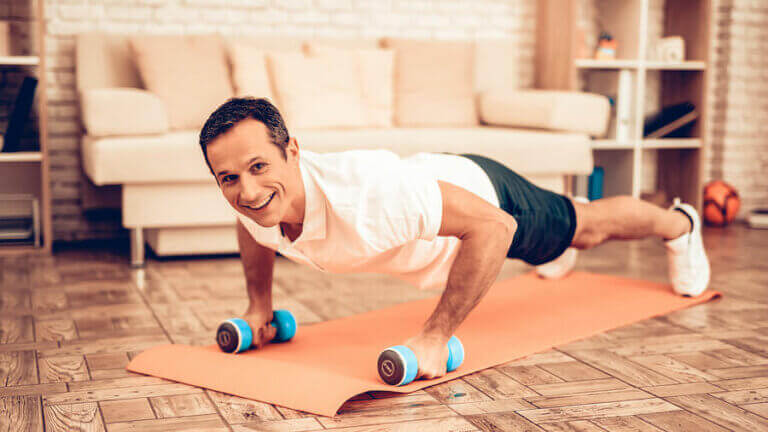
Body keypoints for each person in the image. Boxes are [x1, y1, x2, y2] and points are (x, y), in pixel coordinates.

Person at [198, 97, 710, 381]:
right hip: (437, 190)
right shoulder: (258, 201)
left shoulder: (371, 195)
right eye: (229, 178)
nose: (247, 191)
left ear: (293, 150)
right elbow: (253, 230)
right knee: (564, 230)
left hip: (491, 200)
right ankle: (560, 237)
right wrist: (259, 304)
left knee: (587, 228)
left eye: (259, 166)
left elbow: (494, 227)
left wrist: (434, 338)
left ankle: (681, 225)